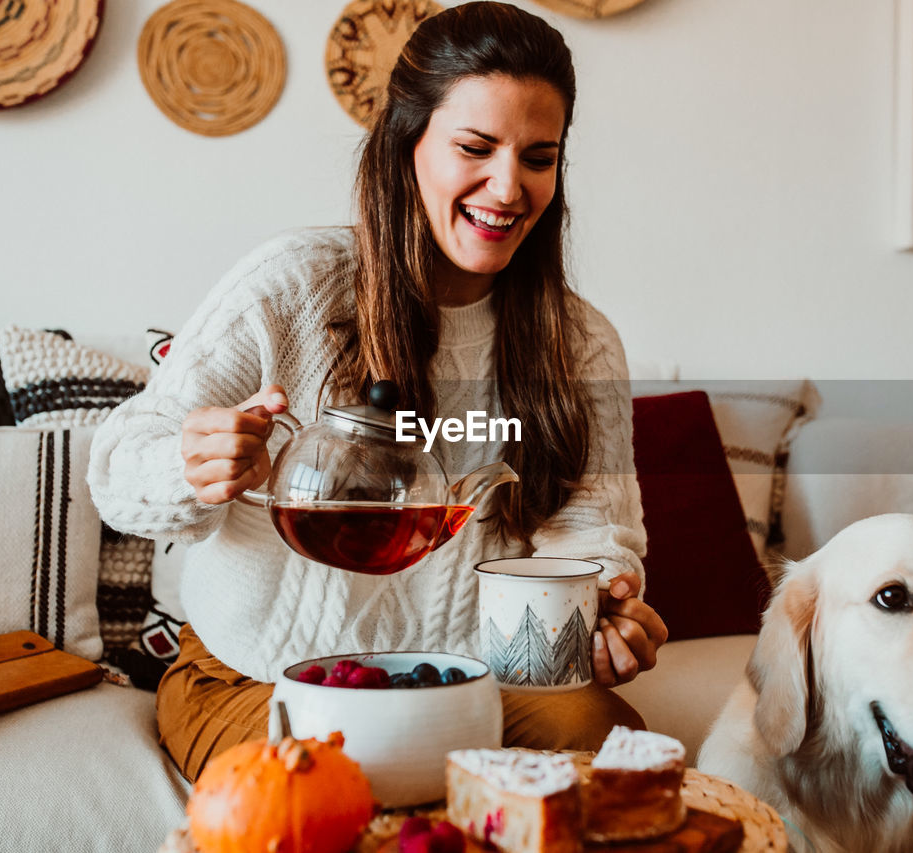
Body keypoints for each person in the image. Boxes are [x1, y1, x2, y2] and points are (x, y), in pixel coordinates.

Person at [88, 0, 666, 783]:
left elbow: (591, 535)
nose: (509, 186)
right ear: (406, 146)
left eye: (539, 156)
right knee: (340, 798)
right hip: (262, 675)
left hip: (469, 683)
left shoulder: (580, 339)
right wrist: (190, 465)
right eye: (475, 147)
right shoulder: (291, 285)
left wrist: (600, 607)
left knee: (615, 764)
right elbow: (122, 464)